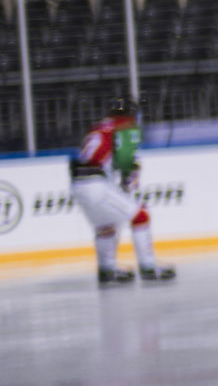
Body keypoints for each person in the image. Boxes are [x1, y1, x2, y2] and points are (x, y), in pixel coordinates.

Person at [69, 95, 172, 286]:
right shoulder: (124, 128)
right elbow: (125, 162)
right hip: (96, 184)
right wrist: (129, 179)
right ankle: (148, 267)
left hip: (78, 184)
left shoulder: (97, 127)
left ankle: (107, 271)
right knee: (140, 215)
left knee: (105, 226)